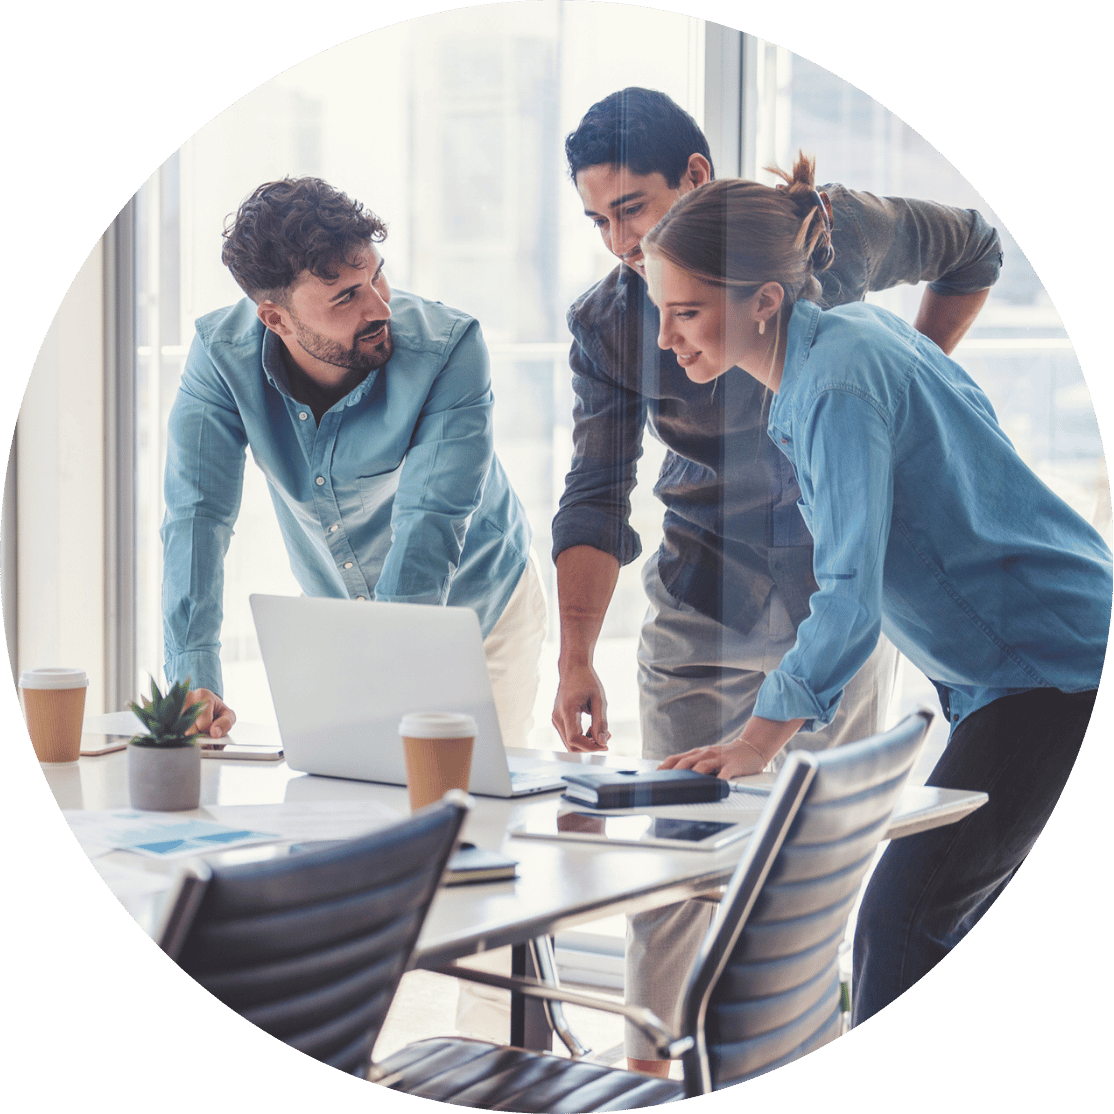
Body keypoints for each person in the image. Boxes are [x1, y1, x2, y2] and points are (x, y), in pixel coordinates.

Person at [552, 87, 1003, 1073]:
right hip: (697, 596)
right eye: (596, 220)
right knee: (674, 865)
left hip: (832, 600)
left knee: (817, 861)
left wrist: (912, 373)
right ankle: (651, 1072)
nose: (617, 242)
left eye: (630, 208)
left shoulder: (825, 237)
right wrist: (576, 654)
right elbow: (594, 491)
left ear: (696, 180)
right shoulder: (608, 321)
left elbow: (974, 244)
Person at [641, 160, 1111, 1028]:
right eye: (660, 313)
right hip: (1032, 664)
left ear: (763, 303)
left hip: (1052, 675)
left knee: (901, 924)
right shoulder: (853, 341)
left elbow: (850, 596)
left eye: (687, 313)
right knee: (951, 924)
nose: (667, 340)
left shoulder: (834, 387)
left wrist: (758, 741)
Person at [162, 177, 545, 748]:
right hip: (343, 619)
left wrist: (384, 684)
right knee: (348, 809)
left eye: (375, 276)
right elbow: (197, 516)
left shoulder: (449, 348)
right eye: (345, 296)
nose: (380, 306)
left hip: (476, 610)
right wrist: (194, 680)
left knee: (466, 807)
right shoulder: (221, 358)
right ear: (276, 319)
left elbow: (430, 522)